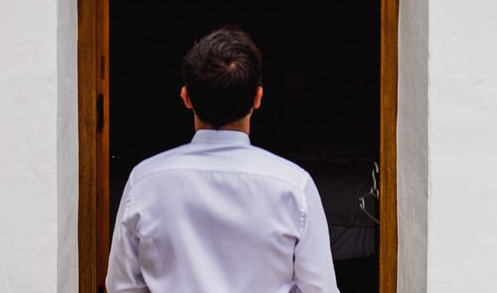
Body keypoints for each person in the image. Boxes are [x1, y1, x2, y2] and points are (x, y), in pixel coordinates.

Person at [105, 26, 339, 293]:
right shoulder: (294, 187)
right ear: (258, 98)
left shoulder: (144, 182)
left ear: (186, 97)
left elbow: (122, 287)